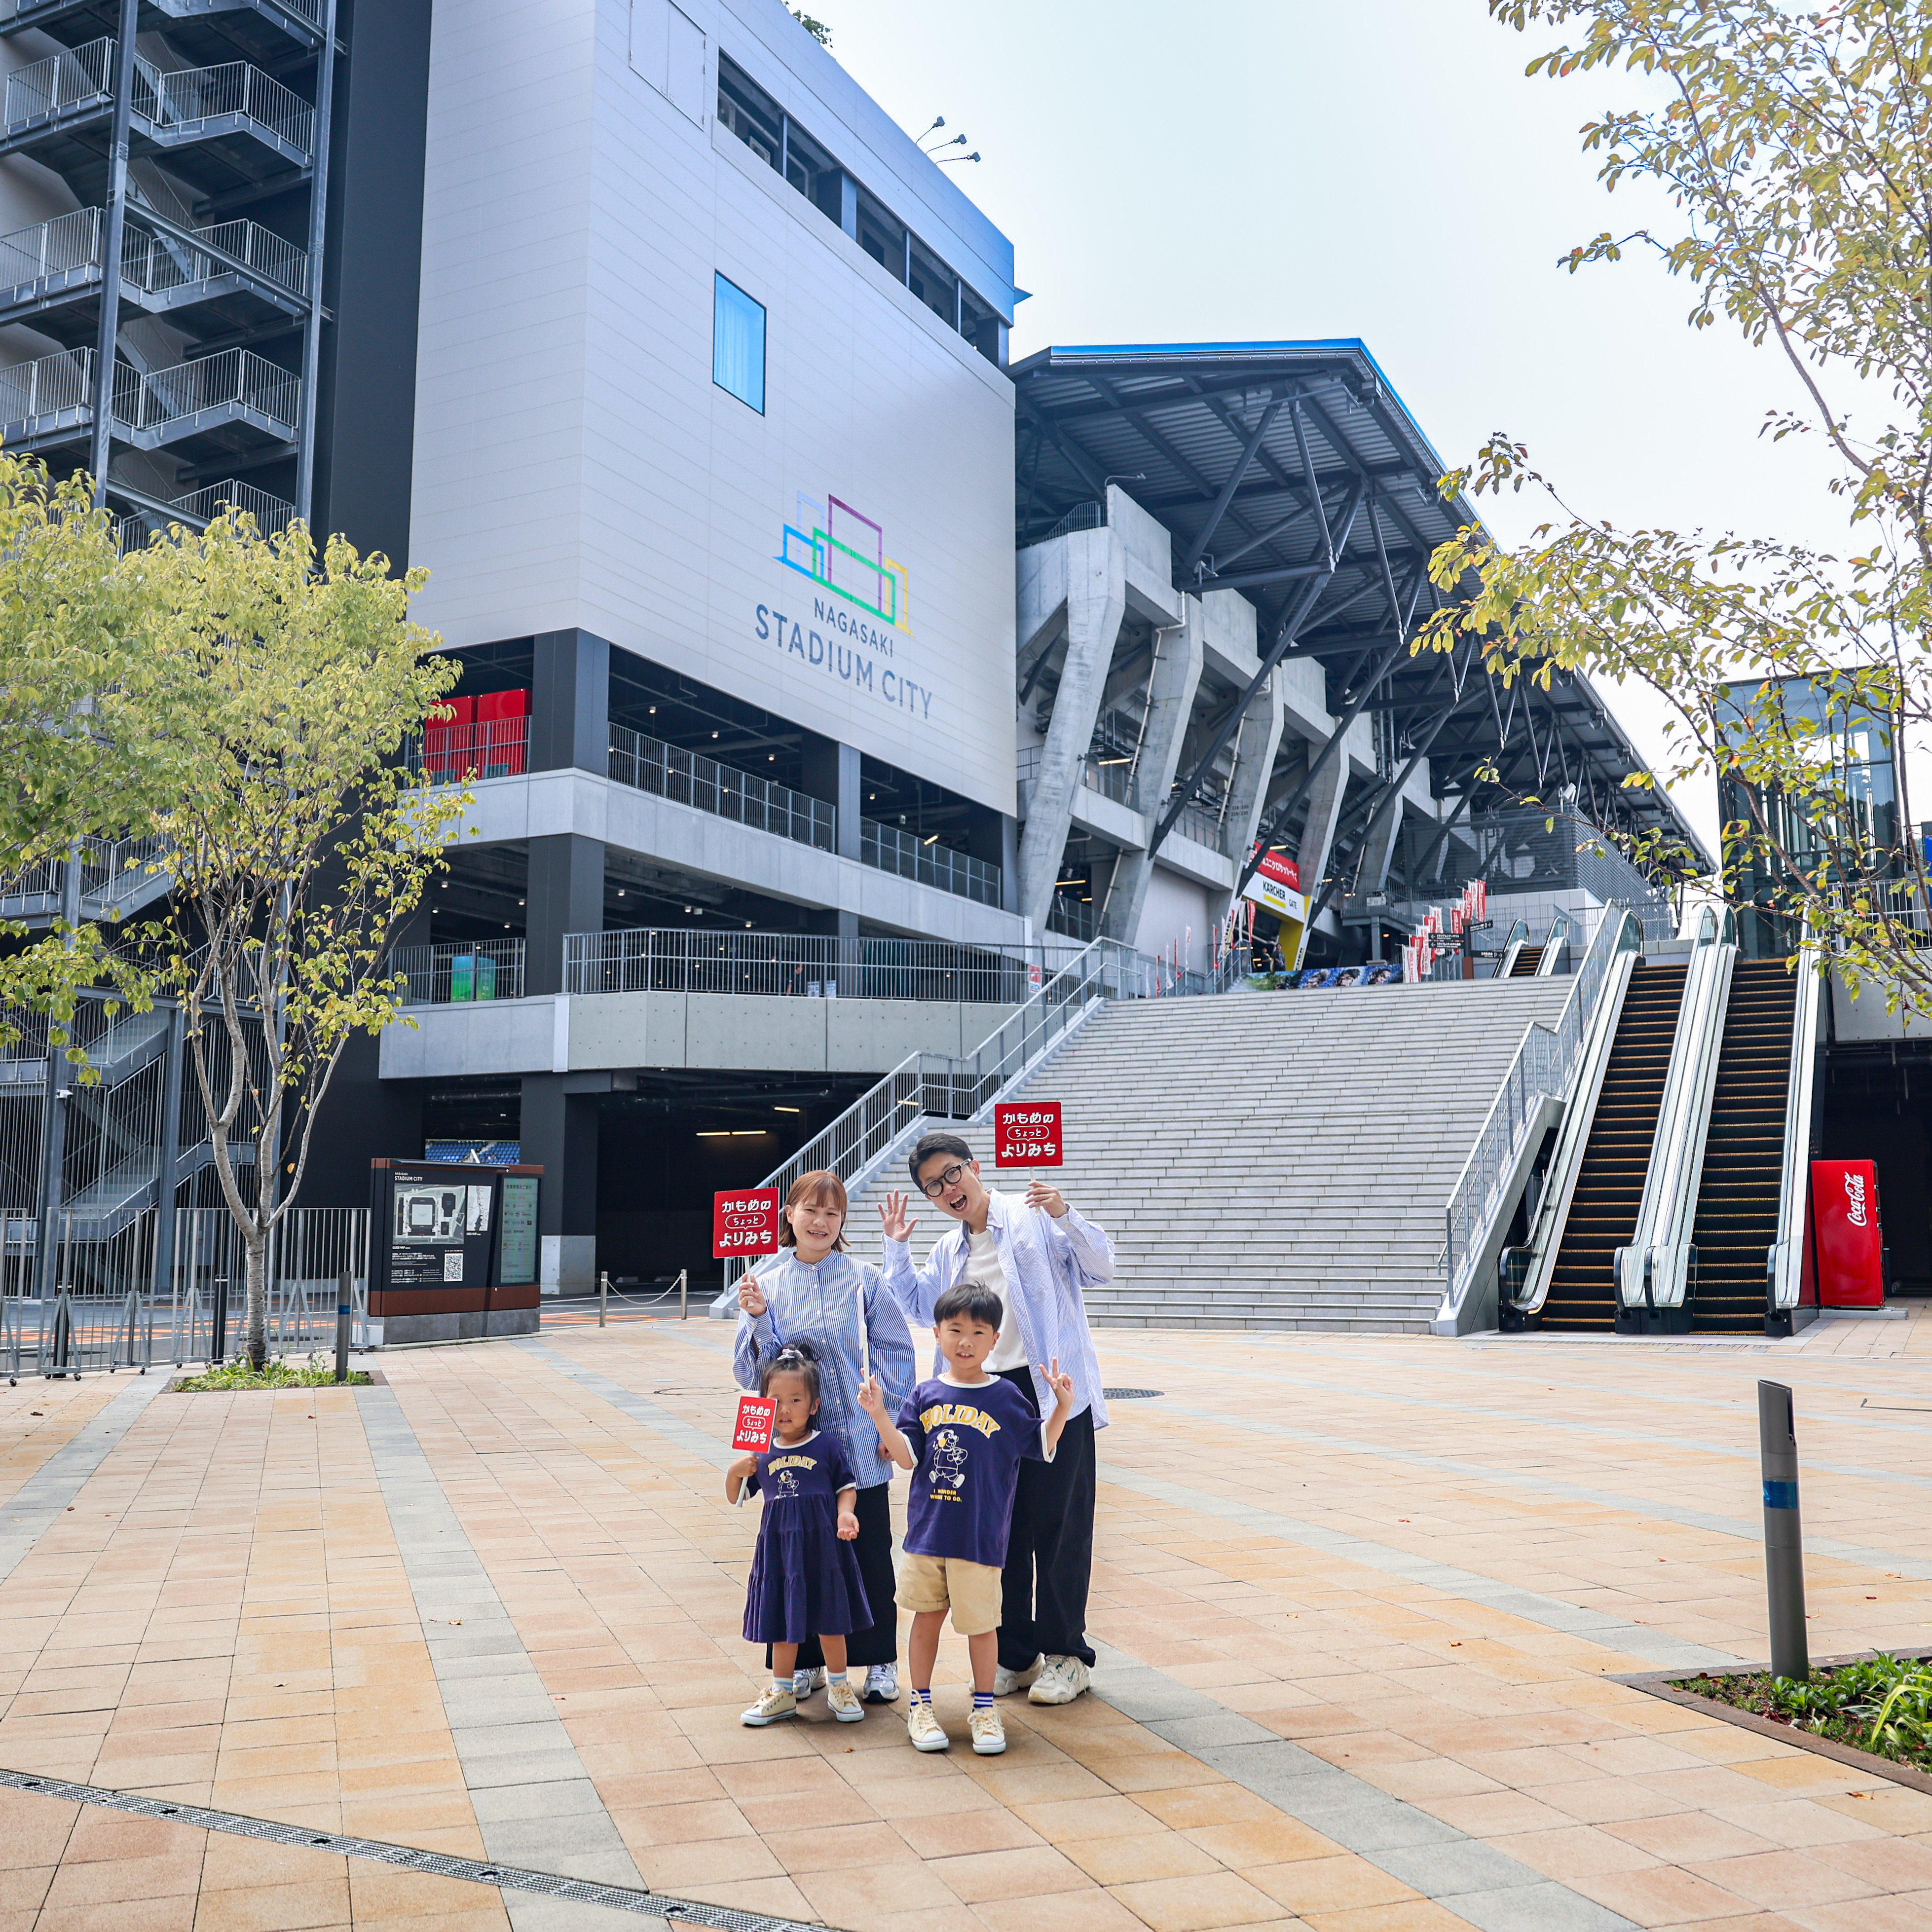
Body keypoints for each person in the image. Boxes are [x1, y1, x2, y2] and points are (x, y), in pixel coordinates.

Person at [877, 1131, 1111, 1706]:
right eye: (933, 1185)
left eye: (952, 1174)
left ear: (974, 1166)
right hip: (980, 1396)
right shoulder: (946, 1250)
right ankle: (1015, 1655)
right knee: (999, 1529)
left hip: (1049, 1391)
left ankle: (1067, 1656)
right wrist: (896, 1249)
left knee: (1059, 1527)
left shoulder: (1033, 1217)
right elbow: (918, 1308)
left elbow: (1101, 1266)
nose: (947, 1189)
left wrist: (1064, 1212)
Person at [856, 1281, 1075, 1755]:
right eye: (955, 1329)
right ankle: (920, 1705)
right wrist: (879, 1417)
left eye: (978, 1332)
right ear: (937, 1333)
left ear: (995, 1339)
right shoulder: (925, 1394)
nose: (965, 1341)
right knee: (926, 1619)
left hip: (980, 1539)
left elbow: (1041, 1444)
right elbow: (906, 1457)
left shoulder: (1007, 1397)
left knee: (982, 1627)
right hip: (928, 1536)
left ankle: (984, 1709)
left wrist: (1062, 1408)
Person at [735, 1169, 916, 1703]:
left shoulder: (864, 1279)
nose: (820, 1221)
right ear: (789, 1214)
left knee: (869, 1553)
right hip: (797, 1451)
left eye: (832, 1213)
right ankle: (807, 1663)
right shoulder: (766, 1284)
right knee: (800, 1557)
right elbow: (752, 1376)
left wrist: (890, 1419)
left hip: (858, 1442)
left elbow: (897, 1349)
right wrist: (759, 1319)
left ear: (842, 1222)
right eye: (810, 1210)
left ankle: (880, 1660)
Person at [727, 1342, 870, 1727]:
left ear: (815, 1405)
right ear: (764, 1404)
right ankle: (782, 1690)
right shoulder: (760, 1454)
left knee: (830, 1618)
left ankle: (839, 1685)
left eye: (796, 1400)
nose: (785, 1409)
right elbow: (736, 1496)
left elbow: (846, 1487)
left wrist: (845, 1514)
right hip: (779, 1550)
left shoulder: (826, 1446)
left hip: (823, 1548)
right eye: (776, 1400)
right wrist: (735, 1471)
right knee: (783, 1621)